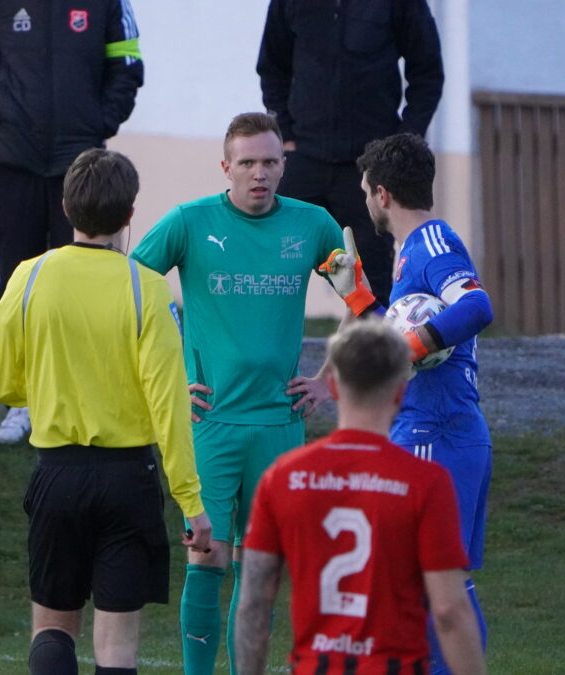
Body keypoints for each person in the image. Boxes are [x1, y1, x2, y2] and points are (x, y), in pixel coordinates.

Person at [130, 112, 344, 675]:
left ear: (283, 165)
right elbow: (128, 292)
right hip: (211, 423)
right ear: (226, 167)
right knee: (208, 558)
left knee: (263, 568)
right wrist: (171, 373)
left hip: (281, 425)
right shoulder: (188, 222)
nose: (259, 174)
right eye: (246, 162)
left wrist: (328, 379)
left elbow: (366, 305)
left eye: (270, 162)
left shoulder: (315, 226)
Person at [0, 148, 211, 675]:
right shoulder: (147, 288)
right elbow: (168, 404)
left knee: (51, 633)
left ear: (66, 207)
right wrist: (190, 501)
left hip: (57, 474)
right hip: (128, 480)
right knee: (116, 651)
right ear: (131, 214)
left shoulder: (28, 277)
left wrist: (44, 391)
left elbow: (2, 383)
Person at [320, 132, 493, 673]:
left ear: (383, 194)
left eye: (367, 192)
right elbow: (393, 350)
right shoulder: (410, 255)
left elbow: (476, 305)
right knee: (437, 579)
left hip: (434, 433)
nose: (367, 202)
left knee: (428, 582)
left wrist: (414, 344)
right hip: (437, 431)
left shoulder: (434, 241)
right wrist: (357, 296)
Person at [0, 0, 145, 444]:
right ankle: (22, 403)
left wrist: (97, 121)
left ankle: (86, 401)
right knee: (17, 284)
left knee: (86, 285)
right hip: (12, 161)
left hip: (80, 164)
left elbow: (128, 64)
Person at [235, 321, 486, 675]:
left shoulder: (283, 477)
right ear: (401, 390)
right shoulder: (426, 482)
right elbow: (448, 611)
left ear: (334, 385)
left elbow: (254, 604)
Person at [257, 0, 444, 308]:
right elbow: (272, 67)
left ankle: (373, 355)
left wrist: (399, 144)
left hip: (369, 169)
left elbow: (427, 74)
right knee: (274, 271)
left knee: (371, 288)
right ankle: (264, 353)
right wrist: (286, 136)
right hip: (303, 156)